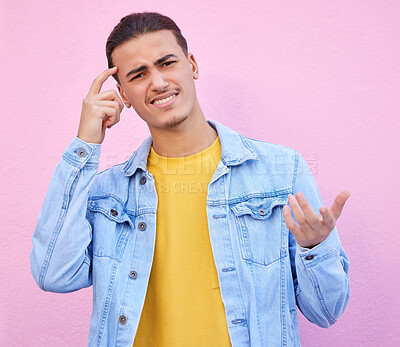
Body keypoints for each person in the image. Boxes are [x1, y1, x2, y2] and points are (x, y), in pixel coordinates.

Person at [30, 11, 351, 347]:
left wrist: (315, 247)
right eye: (138, 75)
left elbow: (326, 312)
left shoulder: (280, 170)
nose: (157, 82)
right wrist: (85, 146)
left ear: (192, 65)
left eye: (166, 63)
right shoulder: (107, 192)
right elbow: (54, 274)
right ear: (122, 94)